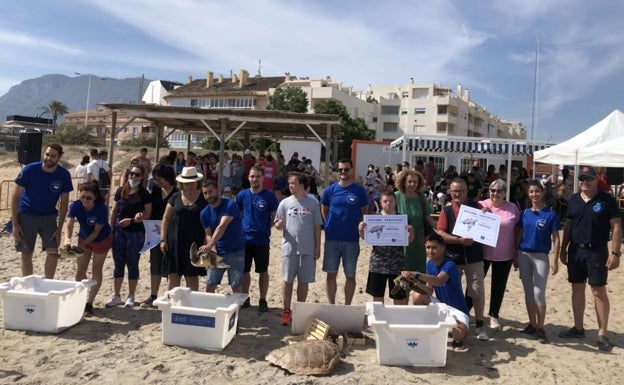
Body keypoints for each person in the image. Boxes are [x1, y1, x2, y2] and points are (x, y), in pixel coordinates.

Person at [558, 166, 621, 351]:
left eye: (589, 178)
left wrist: (615, 253)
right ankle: (578, 328)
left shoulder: (607, 199)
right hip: (576, 250)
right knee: (577, 289)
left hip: (597, 251)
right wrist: (563, 248)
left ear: (596, 180)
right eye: (582, 178)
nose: (584, 181)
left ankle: (602, 334)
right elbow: (569, 224)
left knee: (598, 291)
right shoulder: (574, 199)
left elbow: (616, 226)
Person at [436, 178, 488, 341]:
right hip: (453, 257)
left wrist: (488, 217)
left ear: (467, 191)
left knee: (477, 291)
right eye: (454, 191)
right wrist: (458, 241)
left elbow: (487, 226)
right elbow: (440, 232)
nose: (458, 194)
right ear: (450, 192)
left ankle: (480, 325)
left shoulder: (477, 207)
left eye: (461, 190)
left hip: (474, 256)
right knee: (451, 291)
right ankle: (452, 322)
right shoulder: (446, 210)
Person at [11, 143, 73, 278]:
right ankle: (28, 284)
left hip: (49, 217)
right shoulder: (30, 170)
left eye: (53, 156)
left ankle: (48, 282)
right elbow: (15, 197)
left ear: (59, 157)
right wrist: (15, 225)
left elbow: (64, 203)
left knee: (53, 252)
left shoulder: (64, 175)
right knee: (26, 253)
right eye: (47, 154)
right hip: (26, 215)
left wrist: (60, 228)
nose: (49, 158)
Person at [402, 233, 470, 350]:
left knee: (458, 335)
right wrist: (415, 284)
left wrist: (416, 274)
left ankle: (457, 332)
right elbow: (429, 290)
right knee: (417, 296)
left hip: (458, 309)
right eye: (428, 247)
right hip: (441, 305)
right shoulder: (429, 264)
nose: (430, 251)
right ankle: (425, 326)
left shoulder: (450, 265)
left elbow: (438, 280)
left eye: (434, 247)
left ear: (443, 249)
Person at [274, 172, 322, 325]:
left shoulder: (313, 203)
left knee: (304, 281)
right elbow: (277, 224)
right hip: (289, 248)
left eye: (293, 183)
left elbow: (317, 227)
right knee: (287, 280)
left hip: (308, 249)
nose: (290, 186)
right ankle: (286, 310)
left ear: (302, 185)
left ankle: (299, 311)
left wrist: (318, 247)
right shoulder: (284, 203)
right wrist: (278, 225)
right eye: (289, 183)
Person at [515, 180, 560, 343]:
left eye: (537, 191)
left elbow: (556, 238)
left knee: (539, 293)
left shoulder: (550, 214)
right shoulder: (525, 212)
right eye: (531, 192)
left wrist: (555, 259)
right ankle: (532, 324)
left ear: (542, 192)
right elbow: (519, 233)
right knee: (528, 292)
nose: (534, 194)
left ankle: (541, 327)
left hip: (541, 256)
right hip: (524, 254)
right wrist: (515, 254)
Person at [320, 159, 369, 305]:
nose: (343, 172)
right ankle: (331, 305)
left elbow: (364, 212)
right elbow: (324, 210)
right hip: (332, 238)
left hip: (351, 240)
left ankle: (347, 305)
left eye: (346, 169)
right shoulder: (329, 190)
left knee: (350, 275)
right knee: (331, 274)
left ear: (351, 170)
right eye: (340, 169)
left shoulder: (359, 191)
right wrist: (329, 224)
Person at [63, 181, 112, 316]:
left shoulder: (101, 209)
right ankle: (79, 299)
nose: (85, 200)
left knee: (96, 268)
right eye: (82, 197)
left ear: (95, 197)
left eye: (88, 198)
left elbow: (96, 232)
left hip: (101, 239)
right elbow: (69, 225)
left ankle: (89, 303)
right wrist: (67, 239)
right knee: (81, 269)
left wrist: (83, 244)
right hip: (84, 236)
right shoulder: (75, 205)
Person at [107, 164, 151, 307]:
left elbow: (147, 213)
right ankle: (116, 295)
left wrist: (134, 219)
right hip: (119, 231)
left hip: (136, 232)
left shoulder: (144, 194)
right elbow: (114, 211)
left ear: (143, 177)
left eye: (137, 174)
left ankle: (131, 295)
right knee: (118, 263)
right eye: (131, 173)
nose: (133, 176)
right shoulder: (121, 191)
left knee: (133, 263)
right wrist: (110, 228)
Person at [479, 179, 520, 330]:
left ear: (505, 193)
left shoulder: (512, 208)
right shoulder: (481, 205)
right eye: (492, 190)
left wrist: (516, 253)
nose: (495, 193)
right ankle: (467, 311)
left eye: (499, 191)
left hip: (505, 254)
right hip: (482, 253)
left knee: (499, 286)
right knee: (475, 285)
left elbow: (517, 232)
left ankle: (494, 315)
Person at [359, 191, 414, 304]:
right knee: (377, 297)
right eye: (385, 201)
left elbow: (409, 240)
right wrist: (360, 229)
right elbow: (366, 238)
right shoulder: (374, 218)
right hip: (378, 263)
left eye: (391, 201)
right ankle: (380, 320)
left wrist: (411, 232)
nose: (388, 203)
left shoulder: (402, 219)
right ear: (380, 202)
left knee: (398, 297)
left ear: (395, 202)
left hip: (397, 264)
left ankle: (397, 321)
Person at [237, 165, 279, 312]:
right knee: (244, 271)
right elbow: (237, 214)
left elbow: (275, 215)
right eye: (252, 176)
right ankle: (245, 297)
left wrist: (267, 227)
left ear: (262, 178)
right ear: (248, 177)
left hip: (262, 241)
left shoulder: (269, 196)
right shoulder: (242, 195)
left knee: (263, 270)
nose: (255, 179)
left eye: (258, 176)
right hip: (245, 240)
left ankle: (262, 299)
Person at [160, 167, 207, 291]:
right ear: (182, 183)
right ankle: (172, 304)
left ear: (197, 182)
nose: (189, 185)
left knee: (191, 276)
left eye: (192, 182)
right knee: (173, 275)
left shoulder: (204, 197)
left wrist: (206, 243)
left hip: (194, 243)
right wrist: (163, 239)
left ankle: (190, 307)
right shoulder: (175, 197)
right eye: (186, 183)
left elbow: (210, 222)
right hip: (174, 241)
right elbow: (166, 218)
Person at [141, 164, 178, 306]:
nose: (157, 182)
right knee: (155, 264)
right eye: (156, 179)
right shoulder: (155, 190)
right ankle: (153, 294)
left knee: (171, 266)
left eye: (160, 178)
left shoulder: (177, 192)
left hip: (171, 232)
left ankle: (170, 296)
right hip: (154, 232)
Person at [199, 180, 245, 293]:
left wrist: (209, 245)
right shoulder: (204, 213)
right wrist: (212, 249)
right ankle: (210, 309)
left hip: (236, 250)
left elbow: (222, 226)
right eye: (205, 193)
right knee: (210, 284)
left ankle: (236, 310)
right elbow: (208, 234)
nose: (208, 195)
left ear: (217, 190)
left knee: (235, 285)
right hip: (218, 251)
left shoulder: (230, 204)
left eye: (210, 192)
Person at [394, 169, 437, 272]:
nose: (413, 184)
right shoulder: (396, 196)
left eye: (415, 182)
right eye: (409, 181)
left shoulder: (421, 197)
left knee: (419, 271)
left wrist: (442, 230)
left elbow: (427, 216)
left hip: (419, 240)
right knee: (403, 271)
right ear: (403, 182)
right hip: (401, 240)